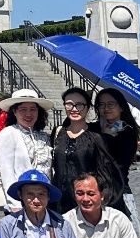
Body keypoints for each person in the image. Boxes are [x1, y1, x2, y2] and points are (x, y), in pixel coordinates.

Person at [51, 88, 125, 216]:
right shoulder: (57, 133)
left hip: (87, 202)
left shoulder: (97, 135)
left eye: (79, 104)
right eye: (69, 104)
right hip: (60, 202)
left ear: (88, 107)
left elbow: (105, 172)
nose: (74, 109)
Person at [92, 88, 140, 237]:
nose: (106, 108)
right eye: (101, 105)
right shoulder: (93, 128)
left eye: (111, 104)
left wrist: (105, 138)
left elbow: (118, 165)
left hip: (118, 191)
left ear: (121, 107)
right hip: (94, 191)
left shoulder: (127, 133)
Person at [0, 89, 55, 215]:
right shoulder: (9, 133)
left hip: (43, 202)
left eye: (33, 109)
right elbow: (6, 171)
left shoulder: (44, 136)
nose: (28, 114)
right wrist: (14, 203)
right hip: (21, 202)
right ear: (14, 111)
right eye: (23, 109)